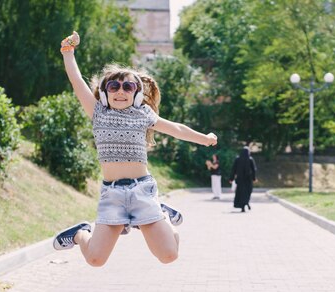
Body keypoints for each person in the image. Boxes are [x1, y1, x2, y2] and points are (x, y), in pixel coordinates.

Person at [52, 32, 217, 266]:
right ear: (106, 92)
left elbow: (177, 129)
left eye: (128, 86)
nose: (120, 91)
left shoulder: (143, 114)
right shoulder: (98, 112)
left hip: (143, 191)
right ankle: (81, 233)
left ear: (137, 94)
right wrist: (68, 52)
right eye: (114, 86)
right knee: (96, 259)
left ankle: (163, 215)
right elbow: (77, 81)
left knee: (169, 255)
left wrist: (205, 138)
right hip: (112, 194)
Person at [229, 146, 257, 213]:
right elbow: (254, 170)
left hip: (240, 180)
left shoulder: (237, 159)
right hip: (248, 180)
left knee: (240, 193)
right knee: (247, 192)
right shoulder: (250, 159)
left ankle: (243, 206)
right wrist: (254, 178)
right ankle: (246, 203)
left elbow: (233, 170)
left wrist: (231, 178)